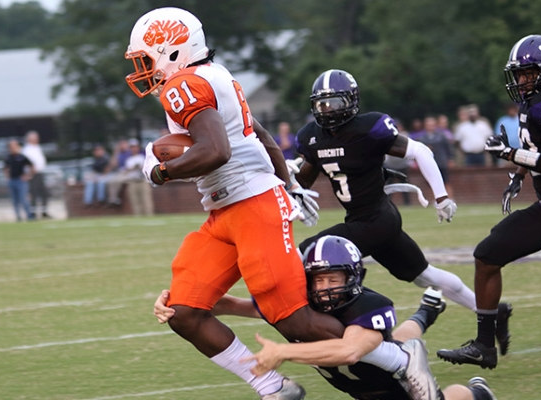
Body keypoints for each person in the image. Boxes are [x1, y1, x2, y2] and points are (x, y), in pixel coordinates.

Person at [125, 7, 366, 399]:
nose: (145, 69)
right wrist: (288, 185)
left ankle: (392, 355)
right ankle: (271, 386)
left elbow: (215, 151)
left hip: (252, 205)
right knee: (182, 310)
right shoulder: (214, 76)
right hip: (225, 212)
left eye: (147, 58)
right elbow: (262, 136)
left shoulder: (184, 83)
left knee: (294, 322)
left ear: (172, 50)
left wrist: (160, 173)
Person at [154, 236, 497, 400]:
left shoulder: (370, 304)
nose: (325, 288)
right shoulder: (298, 305)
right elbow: (228, 306)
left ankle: (478, 394)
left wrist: (283, 352)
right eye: (318, 279)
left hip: (395, 387)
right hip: (362, 388)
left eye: (333, 279)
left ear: (353, 277)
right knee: (402, 341)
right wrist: (178, 301)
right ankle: (428, 310)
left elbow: (350, 351)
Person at [291, 69, 490, 321]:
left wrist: (441, 196)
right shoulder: (311, 137)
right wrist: (291, 188)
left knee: (305, 256)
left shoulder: (368, 128)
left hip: (375, 220)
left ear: (351, 101)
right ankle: (490, 312)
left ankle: (317, 326)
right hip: (367, 221)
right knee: (425, 275)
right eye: (322, 104)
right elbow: (304, 177)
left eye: (335, 103)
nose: (328, 110)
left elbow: (421, 151)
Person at [437, 34, 541, 369]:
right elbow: (534, 153)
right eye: (518, 73)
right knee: (487, 255)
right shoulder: (531, 103)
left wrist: (508, 153)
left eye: (528, 73)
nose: (520, 80)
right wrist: (518, 174)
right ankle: (484, 346)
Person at [417, 115, 455, 197]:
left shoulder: (442, 136)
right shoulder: (422, 138)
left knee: (446, 181)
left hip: (441, 161)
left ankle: (450, 198)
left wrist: (450, 159)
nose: (430, 127)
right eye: (428, 125)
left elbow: (448, 148)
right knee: (431, 183)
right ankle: (435, 200)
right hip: (429, 163)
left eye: (432, 125)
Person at [3, 139, 34, 221]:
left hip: (21, 181)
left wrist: (28, 175)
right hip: (12, 181)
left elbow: (31, 166)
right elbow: (5, 169)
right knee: (15, 200)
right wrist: (7, 177)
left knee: (23, 199)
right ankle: (18, 217)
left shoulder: (22, 157)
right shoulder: (8, 157)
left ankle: (29, 216)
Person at [22, 131, 51, 218]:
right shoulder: (27, 149)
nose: (37, 139)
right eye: (35, 138)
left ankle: (44, 211)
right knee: (33, 193)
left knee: (44, 193)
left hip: (40, 173)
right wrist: (30, 172)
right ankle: (33, 212)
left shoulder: (37, 147)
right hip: (33, 174)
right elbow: (27, 163)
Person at [122, 139, 154, 215]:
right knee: (135, 201)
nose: (134, 149)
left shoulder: (143, 157)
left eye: (135, 147)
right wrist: (132, 168)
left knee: (146, 200)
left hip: (142, 181)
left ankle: (149, 215)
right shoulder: (128, 159)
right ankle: (138, 216)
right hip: (132, 181)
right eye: (132, 147)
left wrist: (140, 167)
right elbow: (125, 171)